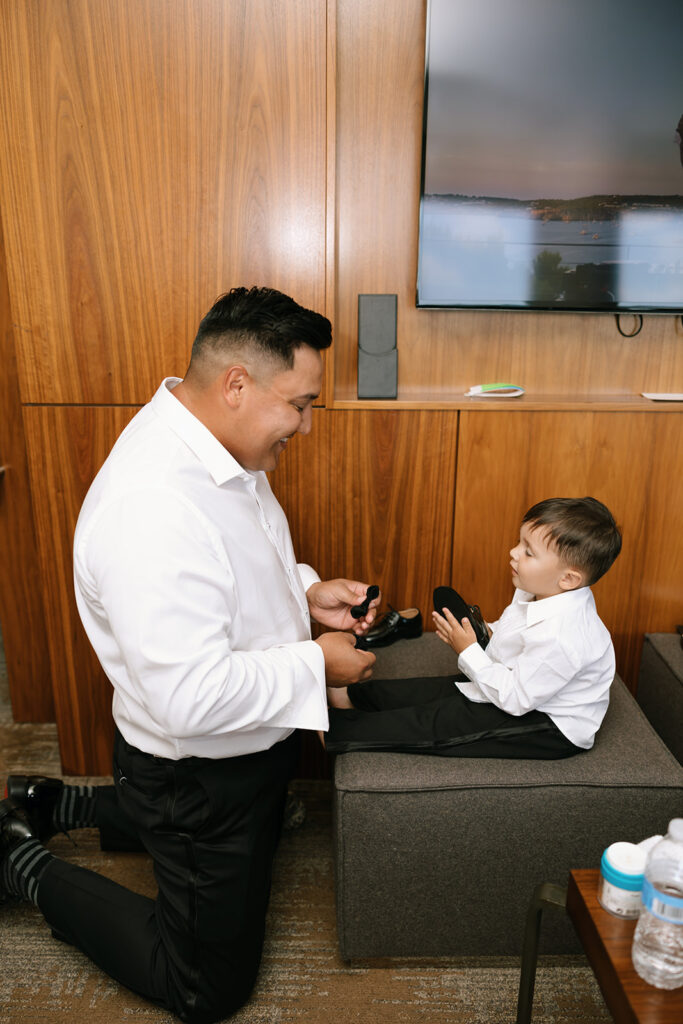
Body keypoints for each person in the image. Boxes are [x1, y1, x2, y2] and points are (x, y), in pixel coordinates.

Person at [0, 286, 378, 1024]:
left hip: (237, 749)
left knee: (263, 835)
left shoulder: (215, 440)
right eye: (298, 403)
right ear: (236, 384)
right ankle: (24, 867)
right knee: (205, 990)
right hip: (193, 769)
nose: (304, 424)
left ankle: (56, 802)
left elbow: (232, 572)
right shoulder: (154, 507)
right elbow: (191, 697)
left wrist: (305, 595)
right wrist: (315, 666)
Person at [324, 496, 622, 759]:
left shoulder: (563, 637)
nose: (513, 552)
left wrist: (468, 650)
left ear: (568, 579)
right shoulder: (540, 589)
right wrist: (481, 635)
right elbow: (512, 635)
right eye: (520, 542)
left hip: (546, 721)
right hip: (516, 681)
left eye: (528, 552)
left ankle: (339, 731)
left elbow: (516, 700)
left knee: (445, 720)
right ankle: (354, 697)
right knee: (439, 689)